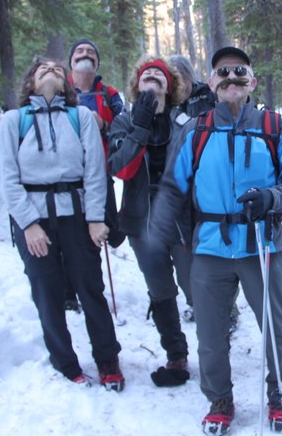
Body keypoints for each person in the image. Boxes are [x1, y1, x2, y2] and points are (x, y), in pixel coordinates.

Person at [151, 46, 282, 434]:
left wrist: (272, 197)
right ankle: (219, 400)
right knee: (210, 332)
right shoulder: (196, 130)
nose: (231, 78)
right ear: (212, 82)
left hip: (262, 244)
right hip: (209, 247)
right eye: (223, 72)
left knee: (275, 325)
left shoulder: (274, 127)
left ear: (252, 82)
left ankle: (280, 393)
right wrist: (159, 232)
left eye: (240, 73)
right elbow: (174, 186)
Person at [0, 56, 125, 390]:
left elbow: (95, 171)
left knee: (90, 289)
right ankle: (65, 361)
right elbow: (7, 178)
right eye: (42, 69)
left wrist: (95, 219)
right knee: (46, 292)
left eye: (55, 69)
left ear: (66, 83)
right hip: (34, 220)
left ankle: (108, 359)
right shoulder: (13, 121)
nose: (50, 71)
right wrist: (28, 224)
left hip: (77, 217)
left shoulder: (79, 116)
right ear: (31, 83)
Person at [107, 55, 191, 387]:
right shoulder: (124, 123)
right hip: (143, 223)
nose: (153, 74)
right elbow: (121, 168)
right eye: (146, 73)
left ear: (171, 86)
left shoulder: (186, 122)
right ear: (136, 85)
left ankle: (217, 344)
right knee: (161, 290)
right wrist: (140, 124)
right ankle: (176, 354)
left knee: (197, 286)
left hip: (183, 219)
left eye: (160, 73)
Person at [167, 54, 240, 330]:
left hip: (212, 186)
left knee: (220, 250)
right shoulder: (168, 106)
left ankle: (228, 310)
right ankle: (200, 303)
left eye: (180, 77)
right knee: (191, 254)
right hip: (183, 189)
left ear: (188, 76)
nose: (177, 84)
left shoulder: (207, 96)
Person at [64, 38, 125, 312]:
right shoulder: (59, 89)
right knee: (71, 236)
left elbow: (124, 129)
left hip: (100, 174)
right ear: (71, 61)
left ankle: (89, 289)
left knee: (109, 230)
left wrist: (103, 125)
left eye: (91, 52)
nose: (85, 54)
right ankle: (72, 293)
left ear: (97, 63)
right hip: (66, 178)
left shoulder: (109, 94)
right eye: (80, 51)